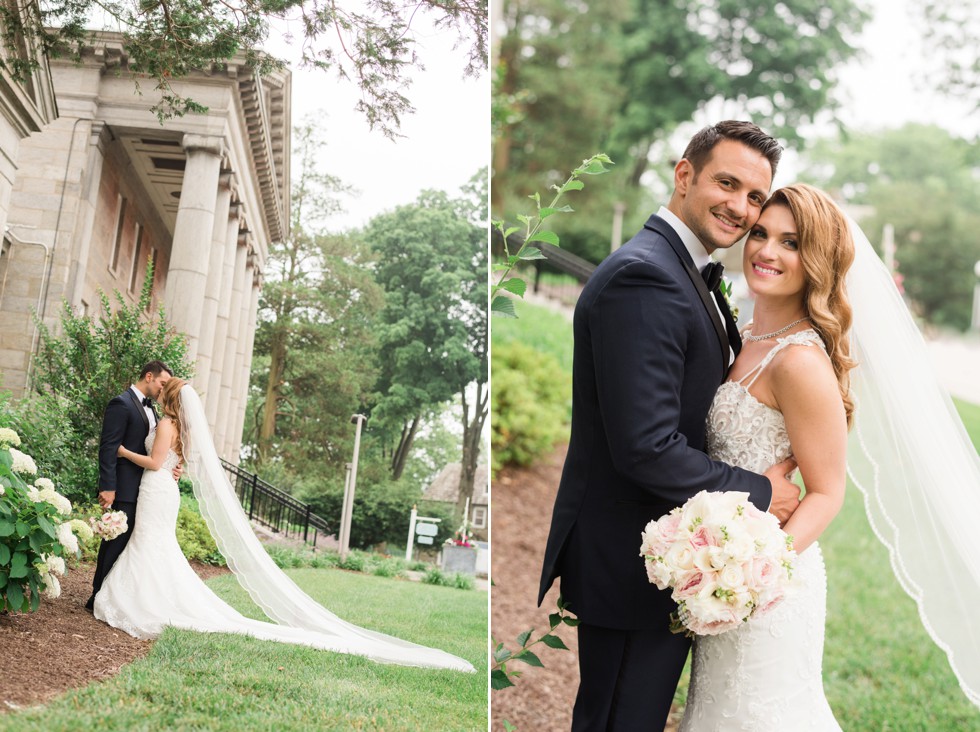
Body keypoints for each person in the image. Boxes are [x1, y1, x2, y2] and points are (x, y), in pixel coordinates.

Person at [538, 121, 804, 731]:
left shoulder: (683, 271)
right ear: (684, 175)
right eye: (727, 183)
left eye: (755, 197)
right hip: (634, 561)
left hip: (665, 556)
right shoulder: (648, 277)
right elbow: (648, 448)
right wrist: (761, 493)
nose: (740, 208)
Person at [93, 377, 474, 672]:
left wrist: (123, 451)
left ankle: (145, 599)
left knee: (152, 545)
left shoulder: (166, 426)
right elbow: (173, 462)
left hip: (156, 488)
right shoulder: (181, 427)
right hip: (162, 492)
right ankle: (153, 595)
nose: (158, 396)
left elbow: (158, 463)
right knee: (156, 546)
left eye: (163, 392)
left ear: (169, 398)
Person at [679, 183, 854, 730]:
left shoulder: (799, 360)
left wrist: (752, 577)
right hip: (722, 573)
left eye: (791, 243)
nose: (766, 252)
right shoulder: (747, 334)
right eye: (760, 234)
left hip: (768, 586)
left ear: (818, 260)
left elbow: (827, 492)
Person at [86, 360, 173, 612]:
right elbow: (108, 447)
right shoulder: (121, 403)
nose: (163, 390)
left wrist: (172, 466)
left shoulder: (153, 410)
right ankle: (97, 595)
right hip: (123, 487)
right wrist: (108, 486)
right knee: (114, 543)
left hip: (144, 490)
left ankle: (112, 597)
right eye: (162, 383)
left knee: (128, 547)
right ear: (149, 376)